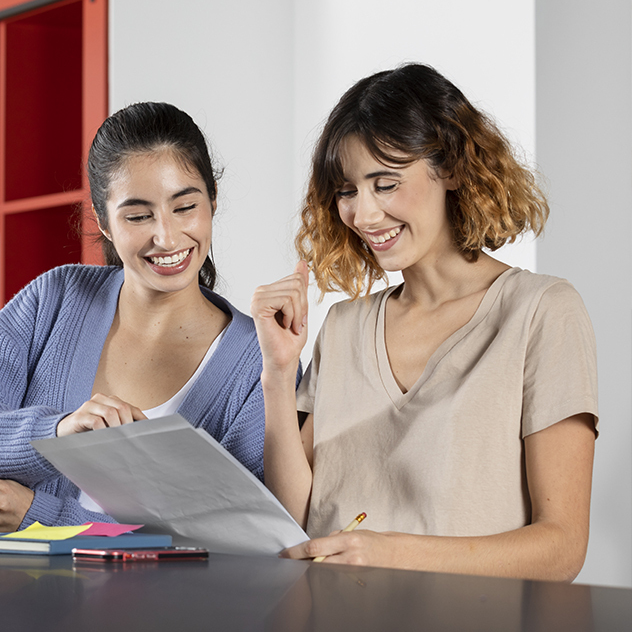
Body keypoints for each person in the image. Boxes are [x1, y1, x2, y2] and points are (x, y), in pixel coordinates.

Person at [251, 64, 598, 581]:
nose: (364, 215)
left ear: (453, 167)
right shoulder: (343, 328)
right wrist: (278, 376)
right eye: (347, 191)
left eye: (385, 183)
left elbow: (561, 548)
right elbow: (293, 521)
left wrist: (391, 552)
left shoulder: (541, 312)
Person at [0, 102, 273, 532]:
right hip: (12, 592)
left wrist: (41, 516)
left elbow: (246, 536)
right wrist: (57, 434)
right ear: (104, 221)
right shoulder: (55, 299)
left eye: (185, 207)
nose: (166, 236)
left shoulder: (258, 360)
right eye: (138, 216)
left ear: (213, 200)